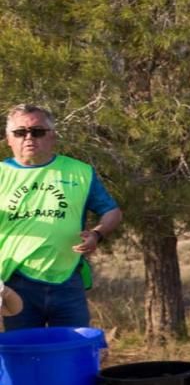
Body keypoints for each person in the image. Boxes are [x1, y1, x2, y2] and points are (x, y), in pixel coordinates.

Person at [0, 104, 122, 330]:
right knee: (23, 357)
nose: (29, 138)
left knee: (74, 354)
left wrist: (97, 234)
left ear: (52, 136)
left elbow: (112, 211)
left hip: (68, 282)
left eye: (37, 131)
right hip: (13, 284)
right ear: (9, 139)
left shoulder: (80, 172)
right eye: (20, 133)